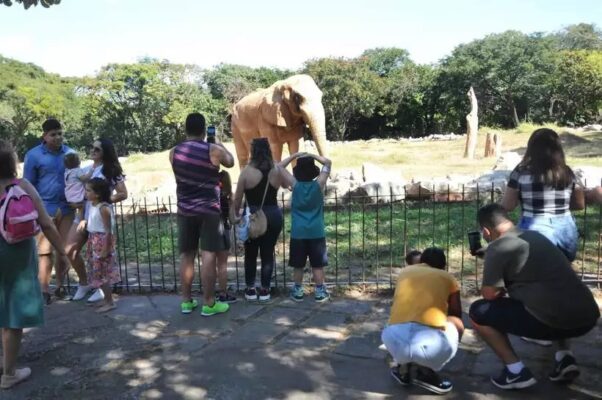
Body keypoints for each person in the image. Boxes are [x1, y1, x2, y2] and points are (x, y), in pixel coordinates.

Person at [469, 204, 600, 390]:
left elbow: (490, 294)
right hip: (587, 317)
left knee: (478, 312)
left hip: (554, 322)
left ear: (485, 231)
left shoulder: (497, 249)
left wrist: (494, 263)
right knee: (554, 292)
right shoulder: (534, 236)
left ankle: (516, 372)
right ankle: (564, 357)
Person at [0, 140, 67, 389]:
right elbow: (47, 224)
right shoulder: (22, 186)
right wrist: (62, 251)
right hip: (17, 254)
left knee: (1, 307)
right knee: (14, 313)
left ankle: (4, 357)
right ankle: (9, 374)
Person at [170, 113, 235, 316]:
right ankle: (209, 303)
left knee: (186, 255)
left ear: (186, 129)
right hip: (209, 210)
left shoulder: (174, 152)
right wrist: (219, 143)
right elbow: (231, 162)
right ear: (204, 129)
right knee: (208, 255)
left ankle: (186, 301)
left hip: (184, 210)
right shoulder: (213, 150)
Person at [382, 247, 464, 395]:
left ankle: (403, 368)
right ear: (443, 266)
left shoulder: (405, 272)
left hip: (392, 339)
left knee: (398, 318)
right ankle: (427, 371)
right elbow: (456, 312)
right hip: (432, 349)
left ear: (422, 262)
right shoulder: (448, 278)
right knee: (456, 322)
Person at [502, 128, 584, 262]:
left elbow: (508, 205)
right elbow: (580, 204)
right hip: (565, 227)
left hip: (534, 226)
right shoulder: (567, 172)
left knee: (537, 270)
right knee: (562, 267)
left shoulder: (520, 172)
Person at [65, 138, 128, 303]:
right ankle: (85, 283)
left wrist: (101, 202)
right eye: (91, 147)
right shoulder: (85, 170)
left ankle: (101, 289)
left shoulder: (110, 170)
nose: (92, 151)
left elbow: (122, 193)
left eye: (97, 149)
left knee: (100, 257)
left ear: (104, 153)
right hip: (83, 217)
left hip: (99, 219)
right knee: (70, 250)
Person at [23, 118, 74, 304]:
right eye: (53, 134)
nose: (57, 137)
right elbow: (27, 185)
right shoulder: (33, 155)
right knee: (44, 252)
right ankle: (44, 291)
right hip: (44, 209)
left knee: (64, 250)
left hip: (67, 208)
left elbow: (75, 180)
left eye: (60, 133)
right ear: (44, 136)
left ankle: (61, 287)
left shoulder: (70, 153)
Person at [233, 138, 287, 303]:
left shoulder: (246, 172)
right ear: (268, 150)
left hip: (253, 217)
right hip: (273, 215)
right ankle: (265, 289)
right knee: (267, 253)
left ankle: (250, 288)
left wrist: (235, 215)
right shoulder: (277, 170)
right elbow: (286, 185)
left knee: (250, 254)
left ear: (252, 152)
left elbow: (237, 199)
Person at [278, 152, 332, 302]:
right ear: (313, 171)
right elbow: (328, 163)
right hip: (316, 231)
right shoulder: (318, 184)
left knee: (298, 264)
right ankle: (320, 292)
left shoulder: (295, 185)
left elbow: (279, 166)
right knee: (317, 264)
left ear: (298, 172)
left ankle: (297, 290)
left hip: (298, 232)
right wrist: (314, 156)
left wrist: (294, 155)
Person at [84, 178, 119, 313]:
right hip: (94, 240)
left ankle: (110, 302)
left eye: (88, 190)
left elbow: (108, 231)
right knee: (97, 272)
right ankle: (106, 299)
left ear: (97, 194)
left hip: (101, 242)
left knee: (103, 272)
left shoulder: (104, 208)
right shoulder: (93, 205)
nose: (85, 193)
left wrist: (105, 248)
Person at [215, 170, 237, 303]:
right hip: (223, 229)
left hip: (209, 228)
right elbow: (233, 218)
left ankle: (210, 293)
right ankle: (223, 294)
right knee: (222, 264)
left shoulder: (211, 196)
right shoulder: (228, 197)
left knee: (209, 262)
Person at [64, 152, 92, 223]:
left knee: (77, 210)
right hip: (77, 194)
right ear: (78, 162)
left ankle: (78, 220)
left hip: (70, 195)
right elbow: (84, 179)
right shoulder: (77, 171)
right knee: (81, 207)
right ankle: (81, 221)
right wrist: (91, 172)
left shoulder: (66, 172)